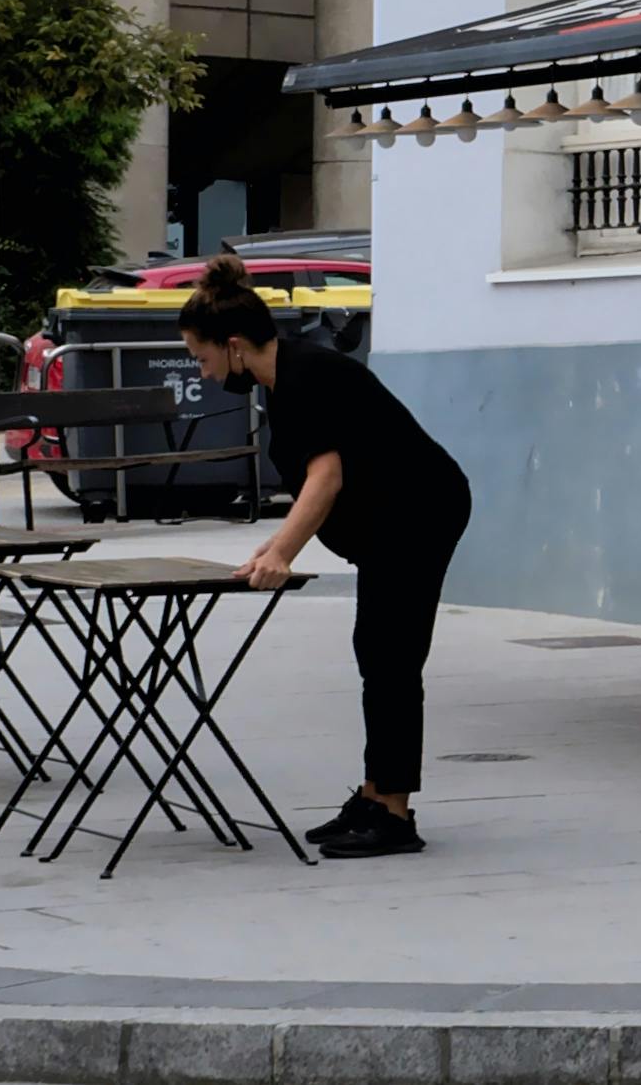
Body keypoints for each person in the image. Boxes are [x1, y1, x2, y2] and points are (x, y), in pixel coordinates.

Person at [176, 255, 473, 860]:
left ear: (233, 346)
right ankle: (376, 796)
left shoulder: (306, 375)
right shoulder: (285, 379)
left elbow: (326, 475)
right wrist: (272, 545)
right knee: (378, 651)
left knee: (390, 656)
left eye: (201, 359)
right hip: (397, 518)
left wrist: (283, 552)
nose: (203, 374)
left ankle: (391, 814)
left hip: (419, 512)